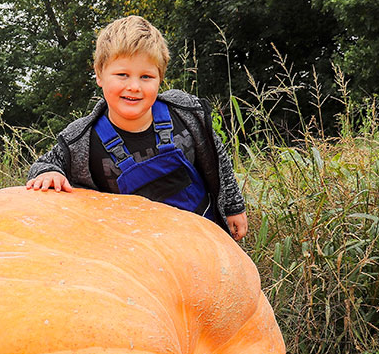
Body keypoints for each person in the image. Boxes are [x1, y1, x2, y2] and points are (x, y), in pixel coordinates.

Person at [26, 16, 248, 240]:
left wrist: (233, 207)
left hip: (206, 238)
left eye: (146, 77)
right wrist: (49, 172)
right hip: (138, 254)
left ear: (160, 78)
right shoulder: (81, 139)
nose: (134, 87)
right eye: (122, 75)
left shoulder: (185, 112)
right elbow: (45, 164)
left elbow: (220, 160)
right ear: (99, 74)